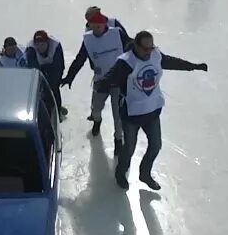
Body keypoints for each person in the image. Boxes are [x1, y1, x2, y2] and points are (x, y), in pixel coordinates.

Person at [96, 30, 207, 190]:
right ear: (136, 46)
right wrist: (102, 85)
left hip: (152, 111)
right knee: (129, 148)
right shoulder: (126, 62)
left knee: (156, 145)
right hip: (131, 115)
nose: (149, 52)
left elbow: (172, 62)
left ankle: (145, 173)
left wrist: (193, 66)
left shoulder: (155, 55)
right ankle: (121, 173)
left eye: (151, 48)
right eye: (145, 49)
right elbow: (110, 78)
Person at [62, 10, 133, 151]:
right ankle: (97, 121)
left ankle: (118, 141)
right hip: (101, 80)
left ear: (104, 24)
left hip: (119, 80)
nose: (96, 30)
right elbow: (80, 58)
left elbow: (132, 47)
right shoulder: (88, 39)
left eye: (98, 27)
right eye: (93, 27)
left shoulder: (117, 32)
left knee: (117, 114)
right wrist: (70, 77)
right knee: (95, 108)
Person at [26, 30, 67, 117]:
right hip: (39, 66)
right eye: (37, 45)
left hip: (53, 65)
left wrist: (53, 84)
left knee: (54, 88)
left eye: (42, 45)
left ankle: (57, 110)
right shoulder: (31, 49)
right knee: (39, 89)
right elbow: (33, 70)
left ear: (47, 42)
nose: (40, 47)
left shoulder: (55, 46)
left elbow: (59, 67)